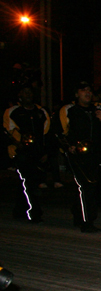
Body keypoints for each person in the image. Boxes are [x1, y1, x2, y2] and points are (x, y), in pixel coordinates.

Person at [59, 81, 101, 232]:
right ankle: (87, 221)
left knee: (91, 186)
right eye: (83, 90)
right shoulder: (69, 110)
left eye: (89, 90)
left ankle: (78, 214)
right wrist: (68, 146)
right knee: (86, 185)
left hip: (94, 154)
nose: (87, 93)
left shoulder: (97, 111)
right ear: (76, 94)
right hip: (76, 154)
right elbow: (59, 131)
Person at [4, 86, 50, 222]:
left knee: (31, 182)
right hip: (22, 153)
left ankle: (19, 210)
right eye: (25, 92)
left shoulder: (41, 112)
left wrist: (45, 151)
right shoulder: (13, 112)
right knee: (27, 181)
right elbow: (8, 131)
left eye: (30, 92)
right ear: (20, 95)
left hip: (38, 153)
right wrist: (18, 144)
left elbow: (46, 133)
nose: (28, 95)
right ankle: (34, 212)